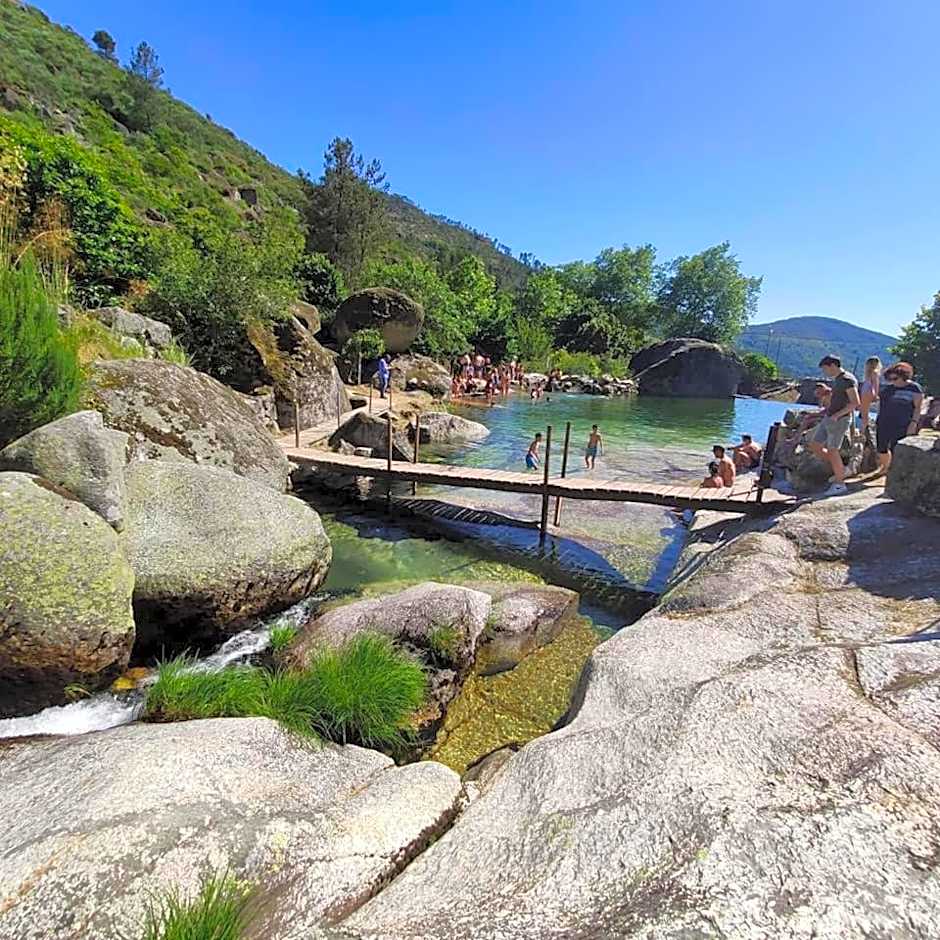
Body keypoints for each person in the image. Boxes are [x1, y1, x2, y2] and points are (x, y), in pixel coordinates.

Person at [808, 354, 859, 496]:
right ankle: (841, 471)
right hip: (829, 418)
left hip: (839, 420)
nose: (825, 373)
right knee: (815, 445)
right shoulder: (837, 379)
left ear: (833, 365)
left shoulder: (847, 380)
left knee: (833, 450)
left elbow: (855, 402)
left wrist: (837, 415)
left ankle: (839, 484)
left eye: (825, 369)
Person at [876, 362, 924, 475]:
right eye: (890, 379)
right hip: (884, 422)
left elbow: (918, 408)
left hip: (903, 424)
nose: (893, 381)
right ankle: (886, 466)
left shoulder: (914, 389)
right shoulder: (888, 390)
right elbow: (881, 406)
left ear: (904, 376)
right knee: (881, 448)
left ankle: (892, 471)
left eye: (895, 378)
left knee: (896, 448)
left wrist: (913, 423)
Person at [858, 356, 882, 437]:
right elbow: (876, 384)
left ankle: (863, 430)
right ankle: (864, 429)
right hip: (868, 391)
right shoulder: (874, 372)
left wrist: (875, 395)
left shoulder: (869, 373)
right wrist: (875, 394)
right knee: (865, 411)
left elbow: (875, 384)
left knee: (864, 411)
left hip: (866, 390)